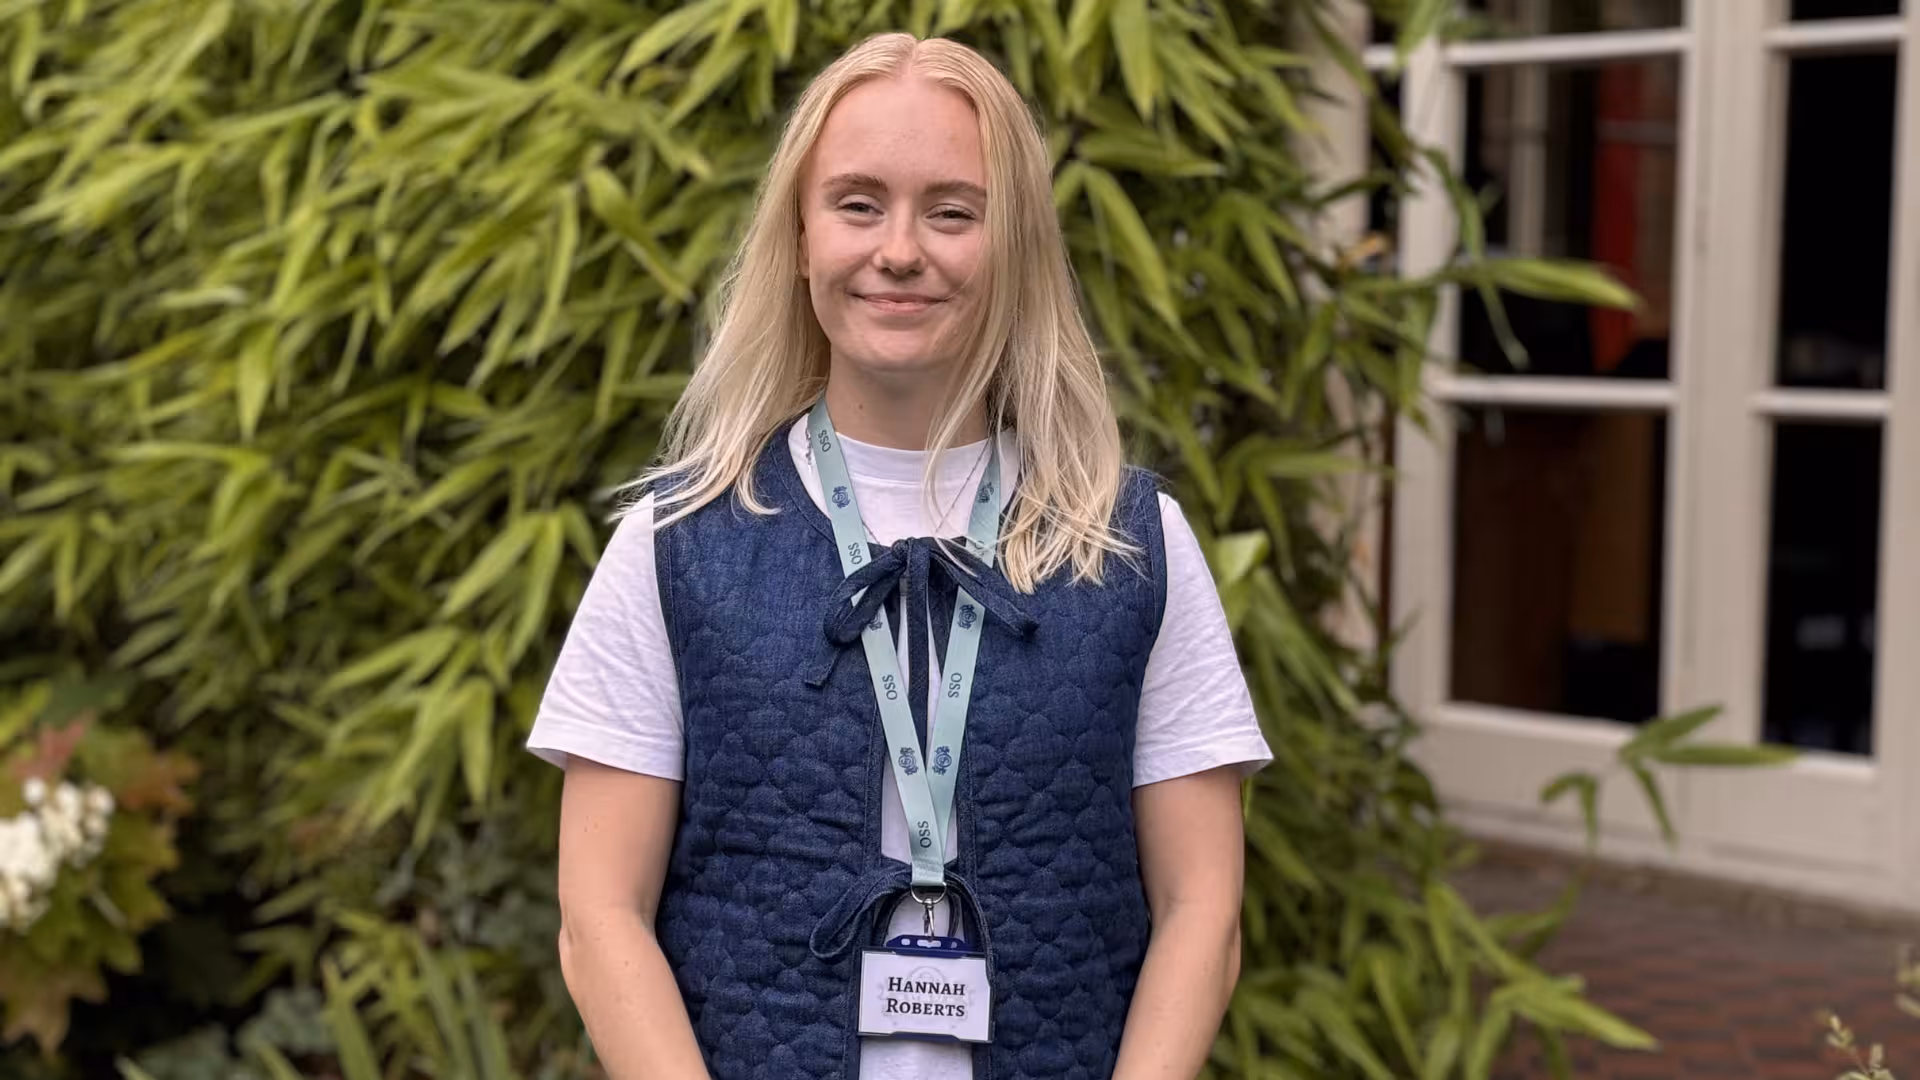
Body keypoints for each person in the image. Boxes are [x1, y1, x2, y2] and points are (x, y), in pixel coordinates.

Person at [528, 31, 1271, 1080]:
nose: (901, 250)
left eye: (953, 211)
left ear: (1012, 244)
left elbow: (1204, 910)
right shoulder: (676, 542)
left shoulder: (1129, 543)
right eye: (858, 203)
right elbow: (598, 915)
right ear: (798, 235)